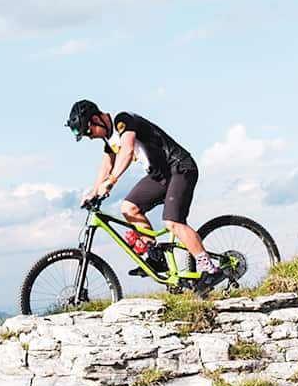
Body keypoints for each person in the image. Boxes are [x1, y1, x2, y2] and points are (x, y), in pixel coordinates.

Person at [66, 99, 220, 288]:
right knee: (129, 208)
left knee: (173, 222)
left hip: (179, 167)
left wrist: (112, 181)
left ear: (97, 119)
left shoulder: (122, 121)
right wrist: (93, 191)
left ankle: (210, 268)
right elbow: (107, 164)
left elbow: (128, 150)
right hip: (160, 175)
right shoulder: (108, 138)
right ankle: (155, 257)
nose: (89, 136)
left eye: (88, 131)